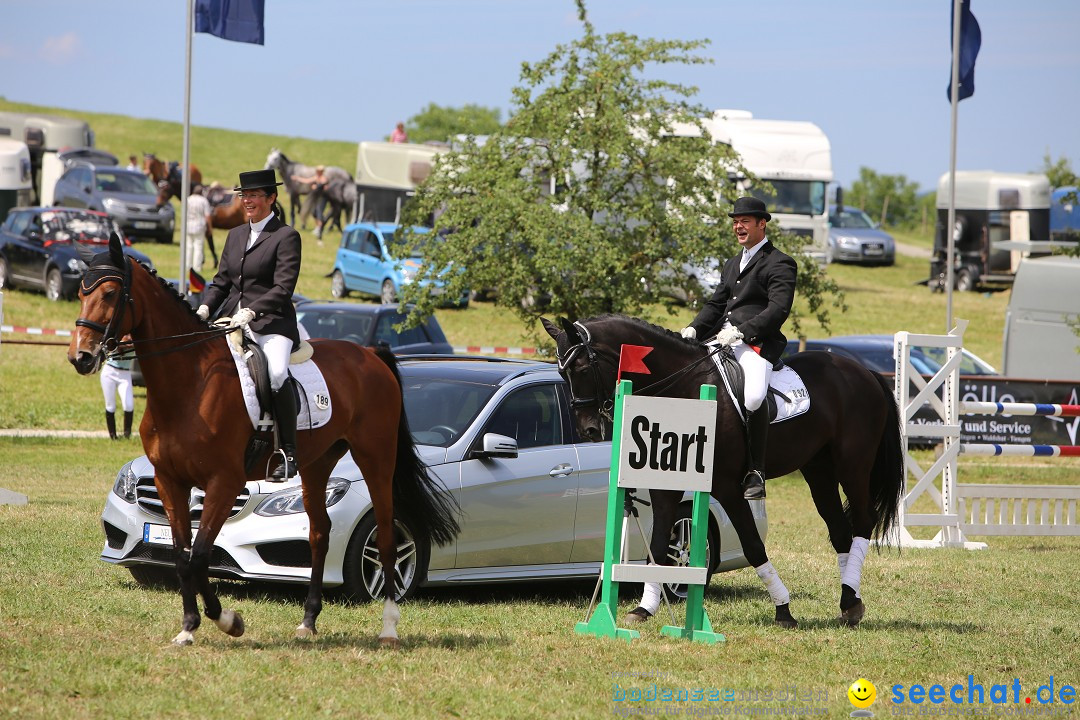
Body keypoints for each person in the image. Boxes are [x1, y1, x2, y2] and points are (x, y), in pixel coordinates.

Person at [679, 196, 797, 499]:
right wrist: (694, 328)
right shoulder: (733, 264)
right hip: (722, 339)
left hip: (756, 344)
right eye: (735, 221)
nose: (738, 226)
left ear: (762, 223)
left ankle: (756, 471)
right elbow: (716, 304)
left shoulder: (780, 262)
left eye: (745, 221)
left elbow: (778, 310)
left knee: (755, 395)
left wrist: (743, 332)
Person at [197, 169, 302, 480]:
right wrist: (204, 308)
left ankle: (289, 451)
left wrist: (253, 311)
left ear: (271, 198)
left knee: (277, 373)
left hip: (271, 322)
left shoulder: (286, 236)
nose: (248, 201)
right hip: (232, 320)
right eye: (244, 195)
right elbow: (221, 283)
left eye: (255, 195)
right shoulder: (235, 235)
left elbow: (283, 289)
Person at [101, 338, 135, 440]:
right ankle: (113, 436)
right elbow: (109, 346)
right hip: (110, 371)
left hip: (125, 373)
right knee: (111, 405)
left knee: (129, 405)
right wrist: (122, 344)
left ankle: (127, 435)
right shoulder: (116, 337)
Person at [291, 164, 328, 239]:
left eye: (318, 171)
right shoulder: (316, 177)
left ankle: (320, 228)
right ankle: (318, 227)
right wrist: (297, 178)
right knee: (314, 212)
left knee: (319, 212)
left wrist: (316, 187)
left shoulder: (324, 179)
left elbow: (325, 188)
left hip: (322, 198)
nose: (317, 172)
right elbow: (306, 181)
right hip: (316, 198)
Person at [185, 184, 213, 271]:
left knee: (189, 246)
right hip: (199, 226)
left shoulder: (188, 199)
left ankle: (187, 266)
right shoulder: (203, 200)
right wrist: (210, 227)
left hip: (188, 225)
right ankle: (197, 267)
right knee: (198, 247)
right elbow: (207, 216)